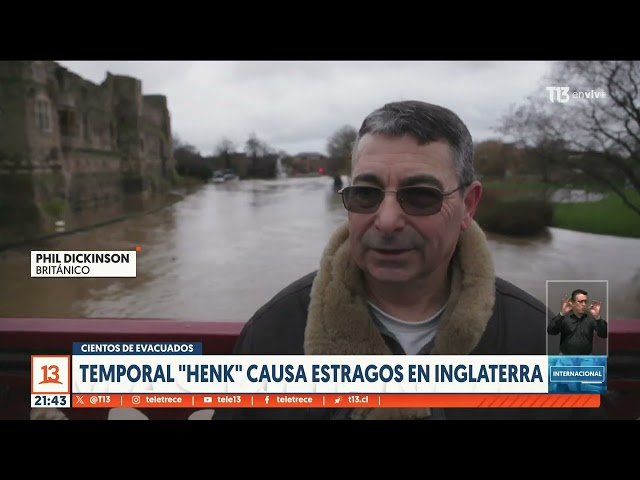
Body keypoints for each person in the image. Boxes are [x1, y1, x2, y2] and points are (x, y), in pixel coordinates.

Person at [213, 100, 606, 420]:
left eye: (420, 195)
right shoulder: (273, 331)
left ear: (468, 205)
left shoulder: (549, 340)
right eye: (366, 193)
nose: (385, 221)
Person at [547, 289, 608, 355]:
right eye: (581, 301)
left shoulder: (591, 318)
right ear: (572, 303)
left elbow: (604, 334)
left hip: (586, 357)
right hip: (566, 357)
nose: (584, 304)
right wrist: (562, 314)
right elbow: (551, 331)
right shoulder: (564, 317)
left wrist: (597, 317)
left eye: (585, 301)